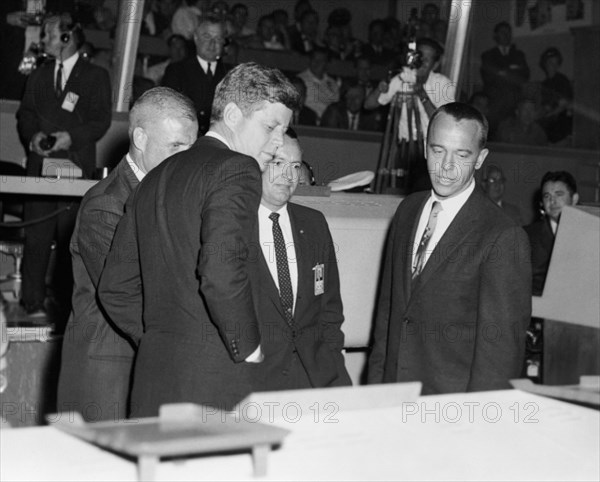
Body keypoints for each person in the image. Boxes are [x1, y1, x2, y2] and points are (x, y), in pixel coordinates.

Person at [97, 62, 300, 417]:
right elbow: (221, 271)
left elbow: (115, 287)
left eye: (284, 130)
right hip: (218, 385)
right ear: (233, 115)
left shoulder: (154, 177)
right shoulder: (239, 169)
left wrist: (159, 339)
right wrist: (250, 350)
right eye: (270, 126)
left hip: (153, 378)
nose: (279, 141)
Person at [367, 102, 531, 394]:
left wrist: (476, 425)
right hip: (392, 400)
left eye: (462, 154)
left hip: (451, 411)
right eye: (438, 150)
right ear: (425, 149)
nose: (446, 167)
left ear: (480, 158)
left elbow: (501, 354)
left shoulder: (503, 235)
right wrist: (376, 393)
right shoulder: (408, 210)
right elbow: (388, 316)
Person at [57, 87, 198, 422]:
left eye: (191, 149)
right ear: (140, 137)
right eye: (175, 146)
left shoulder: (174, 195)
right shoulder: (106, 204)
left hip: (149, 363)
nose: (186, 160)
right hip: (108, 373)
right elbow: (129, 297)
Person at [16, 13, 112, 320]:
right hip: (40, 167)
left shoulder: (96, 76)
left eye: (48, 35)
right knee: (37, 236)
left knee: (73, 240)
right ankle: (32, 302)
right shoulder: (38, 75)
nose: (43, 41)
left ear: (68, 38)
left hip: (75, 166)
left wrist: (69, 138)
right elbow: (25, 115)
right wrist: (33, 137)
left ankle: (69, 308)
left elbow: (101, 121)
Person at [251, 130, 351, 390]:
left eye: (295, 166)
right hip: (254, 381)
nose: (288, 176)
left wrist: (336, 369)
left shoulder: (313, 223)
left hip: (314, 378)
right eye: (278, 163)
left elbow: (330, 309)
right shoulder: (232, 223)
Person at [162, 13, 229, 134]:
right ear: (196, 38)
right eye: (207, 36)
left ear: (224, 42)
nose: (212, 44)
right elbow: (168, 111)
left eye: (218, 38)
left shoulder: (230, 74)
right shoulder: (177, 70)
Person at [524, 171, 579, 296]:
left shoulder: (590, 233)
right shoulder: (526, 235)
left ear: (574, 199)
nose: (552, 201)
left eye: (559, 194)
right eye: (547, 196)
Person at [480, 21, 530, 132]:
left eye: (509, 32)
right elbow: (488, 77)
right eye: (503, 32)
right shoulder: (488, 55)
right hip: (495, 101)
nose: (506, 35)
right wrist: (511, 73)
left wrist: (502, 73)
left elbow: (525, 76)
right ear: (495, 36)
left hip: (514, 101)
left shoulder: (518, 55)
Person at [538, 47, 573, 144]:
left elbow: (564, 105)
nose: (552, 66)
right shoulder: (544, 84)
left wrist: (550, 114)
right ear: (544, 64)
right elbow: (543, 105)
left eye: (556, 63)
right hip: (548, 124)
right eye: (550, 62)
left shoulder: (562, 80)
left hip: (561, 125)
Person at [297, 47, 340, 123]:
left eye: (321, 60)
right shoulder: (300, 79)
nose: (317, 63)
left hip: (329, 122)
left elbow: (336, 106)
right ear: (310, 60)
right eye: (315, 59)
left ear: (326, 64)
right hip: (309, 121)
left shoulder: (333, 83)